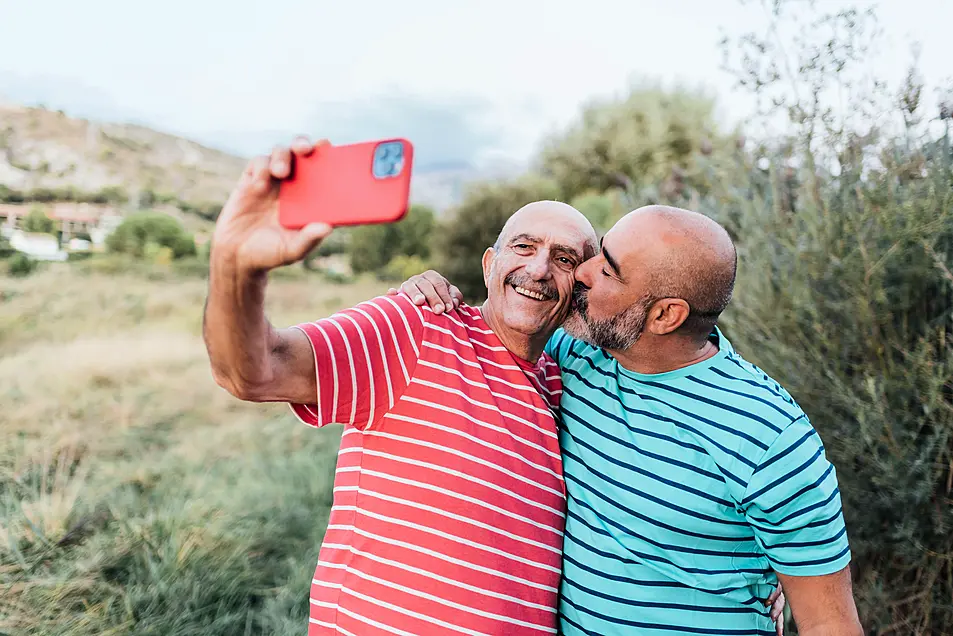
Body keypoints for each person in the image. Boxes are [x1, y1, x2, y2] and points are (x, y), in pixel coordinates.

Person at [396, 204, 862, 635]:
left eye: (607, 269)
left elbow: (829, 623)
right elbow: (500, 323)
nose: (580, 272)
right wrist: (425, 296)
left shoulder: (768, 436)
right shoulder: (576, 355)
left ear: (664, 315)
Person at [202, 134, 599, 635]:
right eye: (524, 247)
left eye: (564, 259)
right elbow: (255, 370)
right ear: (489, 264)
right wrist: (236, 267)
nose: (538, 269)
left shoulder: (567, 382)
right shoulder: (419, 328)